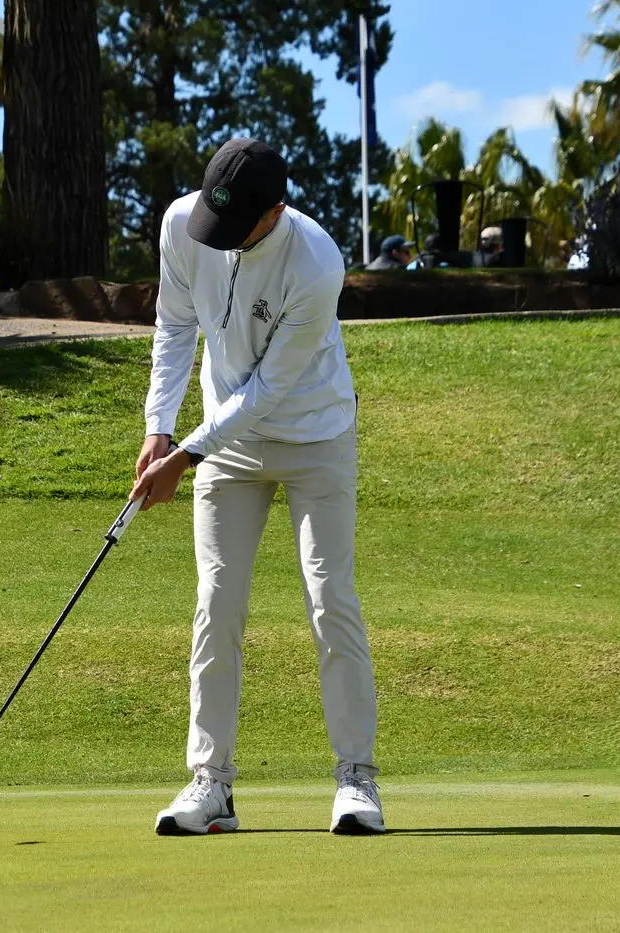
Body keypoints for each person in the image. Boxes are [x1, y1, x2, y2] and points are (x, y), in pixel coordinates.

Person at [131, 138, 383, 837]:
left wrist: (184, 453)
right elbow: (174, 327)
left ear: (273, 211)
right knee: (216, 603)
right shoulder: (185, 225)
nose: (214, 237)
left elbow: (269, 390)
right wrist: (157, 426)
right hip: (225, 447)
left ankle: (355, 778)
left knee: (329, 596)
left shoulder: (315, 260)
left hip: (314, 437)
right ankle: (210, 783)